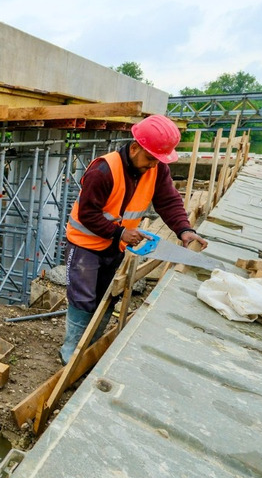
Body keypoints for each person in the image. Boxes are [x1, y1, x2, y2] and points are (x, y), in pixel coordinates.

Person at [60, 114, 208, 362]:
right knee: (83, 299)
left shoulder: (156, 169)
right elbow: (87, 213)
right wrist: (119, 232)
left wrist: (184, 229)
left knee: (108, 295)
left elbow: (168, 200)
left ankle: (90, 346)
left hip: (114, 245)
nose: (153, 165)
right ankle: (71, 352)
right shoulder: (103, 170)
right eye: (150, 158)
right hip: (85, 245)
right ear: (135, 147)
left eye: (158, 159)